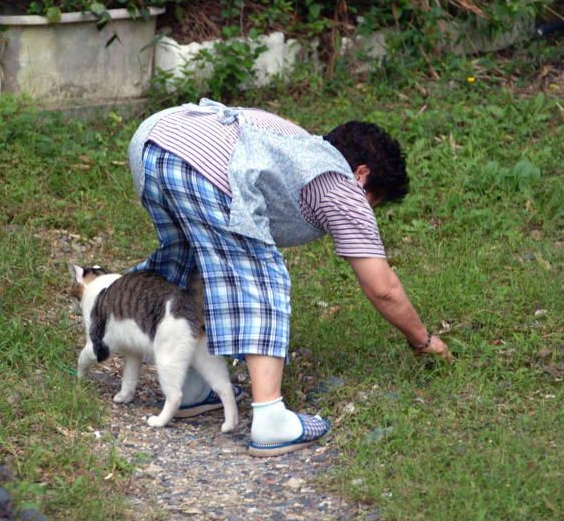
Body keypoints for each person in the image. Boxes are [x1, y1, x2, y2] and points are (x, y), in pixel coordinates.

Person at [127, 98, 450, 457]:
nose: (367, 211)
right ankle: (270, 420)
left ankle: (186, 388)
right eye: (373, 203)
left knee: (187, 264)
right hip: (203, 163)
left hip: (153, 142)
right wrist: (423, 340)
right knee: (259, 273)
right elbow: (383, 288)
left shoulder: (296, 143)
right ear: (362, 175)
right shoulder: (342, 183)